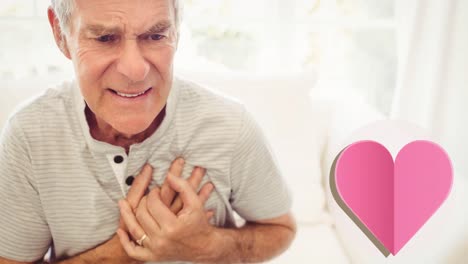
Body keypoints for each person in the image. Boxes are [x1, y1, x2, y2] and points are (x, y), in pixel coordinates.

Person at [0, 0, 296, 263]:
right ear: (60, 34)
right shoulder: (28, 135)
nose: (135, 69)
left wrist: (209, 246)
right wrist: (124, 250)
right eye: (105, 38)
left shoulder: (231, 125)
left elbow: (281, 229)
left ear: (177, 31)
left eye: (155, 36)